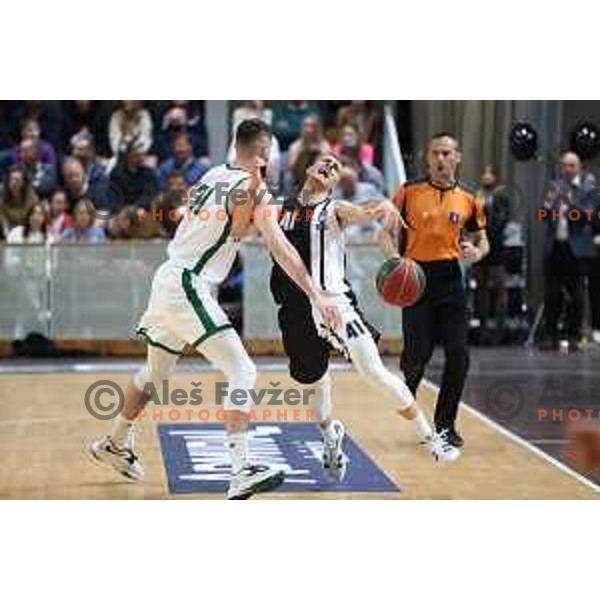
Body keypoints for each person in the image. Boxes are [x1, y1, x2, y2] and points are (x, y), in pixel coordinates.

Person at [88, 119, 342, 500]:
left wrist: (274, 194)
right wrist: (316, 295)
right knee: (242, 369)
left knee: (155, 375)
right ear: (262, 155)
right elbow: (275, 244)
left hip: (169, 277)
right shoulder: (249, 188)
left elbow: (235, 227)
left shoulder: (212, 174)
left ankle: (114, 441)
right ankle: (240, 468)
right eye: (269, 155)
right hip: (190, 283)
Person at [270, 153, 460, 477]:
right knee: (314, 382)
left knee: (373, 371)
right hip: (295, 308)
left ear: (334, 183)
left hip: (335, 306)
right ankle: (331, 436)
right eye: (324, 161)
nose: (329, 166)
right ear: (307, 168)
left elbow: (362, 212)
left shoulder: (334, 210)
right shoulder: (279, 209)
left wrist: (382, 205)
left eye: (336, 167)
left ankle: (431, 440)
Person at [391, 133, 489, 448]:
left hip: (450, 279)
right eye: (435, 153)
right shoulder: (407, 192)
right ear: (428, 157)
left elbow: (482, 240)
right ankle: (409, 389)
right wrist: (394, 259)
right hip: (416, 277)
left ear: (457, 157)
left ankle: (445, 424)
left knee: (459, 354)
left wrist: (477, 252)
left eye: (447, 153)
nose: (440, 158)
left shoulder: (470, 199)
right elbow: (385, 234)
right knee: (417, 355)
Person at [540, 152, 596, 351]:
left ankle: (574, 336)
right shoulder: (553, 186)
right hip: (555, 246)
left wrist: (571, 203)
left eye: (571, 165)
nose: (567, 170)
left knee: (576, 294)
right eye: (564, 165)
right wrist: (548, 203)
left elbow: (586, 217)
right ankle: (551, 336)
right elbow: (543, 215)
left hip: (577, 249)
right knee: (552, 294)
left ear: (579, 167)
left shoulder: (588, 189)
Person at [0, 165, 39, 236]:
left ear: (23, 183)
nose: (14, 183)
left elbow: (34, 220)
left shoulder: (32, 198)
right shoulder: (1, 198)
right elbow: (4, 223)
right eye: (12, 179)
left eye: (17, 180)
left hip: (26, 233)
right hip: (6, 234)